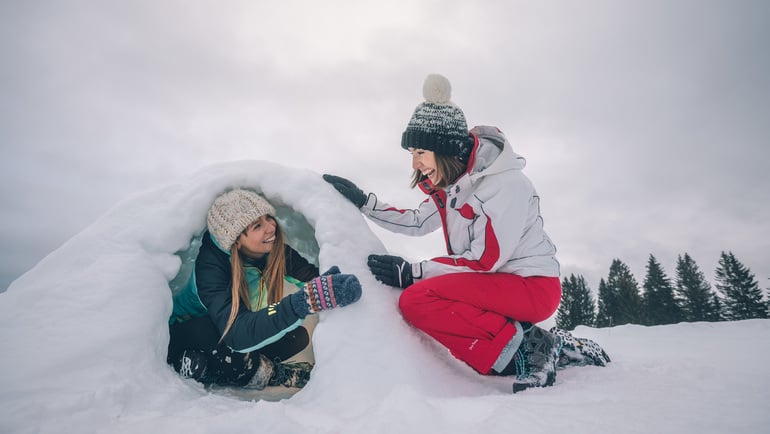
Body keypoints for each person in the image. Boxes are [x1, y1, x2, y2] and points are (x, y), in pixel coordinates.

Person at [324, 74, 608, 393]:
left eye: (420, 151)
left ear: (443, 148)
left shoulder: (504, 185)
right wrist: (366, 203)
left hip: (532, 286)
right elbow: (418, 221)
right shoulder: (455, 185)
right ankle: (540, 346)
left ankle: (532, 346)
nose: (415, 162)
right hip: (496, 283)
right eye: (412, 152)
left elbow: (485, 261)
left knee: (418, 296)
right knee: (418, 298)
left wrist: (414, 272)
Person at [168, 188, 362, 390]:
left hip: (233, 327)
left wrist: (336, 284)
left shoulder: (271, 251)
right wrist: (302, 303)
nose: (271, 227)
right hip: (190, 331)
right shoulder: (211, 269)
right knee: (220, 341)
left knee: (296, 338)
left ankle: (238, 364)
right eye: (257, 226)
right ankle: (257, 372)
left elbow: (312, 277)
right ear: (236, 239)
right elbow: (235, 333)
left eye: (269, 218)